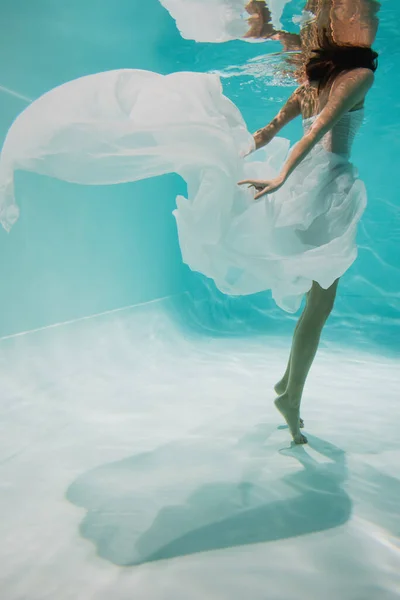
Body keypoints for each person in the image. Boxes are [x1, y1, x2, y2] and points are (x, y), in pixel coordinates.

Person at [238, 33, 378, 444]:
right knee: (319, 305)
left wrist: (243, 153)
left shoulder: (308, 88)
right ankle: (291, 399)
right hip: (323, 193)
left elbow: (266, 133)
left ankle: (287, 387)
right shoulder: (359, 76)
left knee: (315, 303)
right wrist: (279, 175)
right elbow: (317, 131)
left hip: (302, 189)